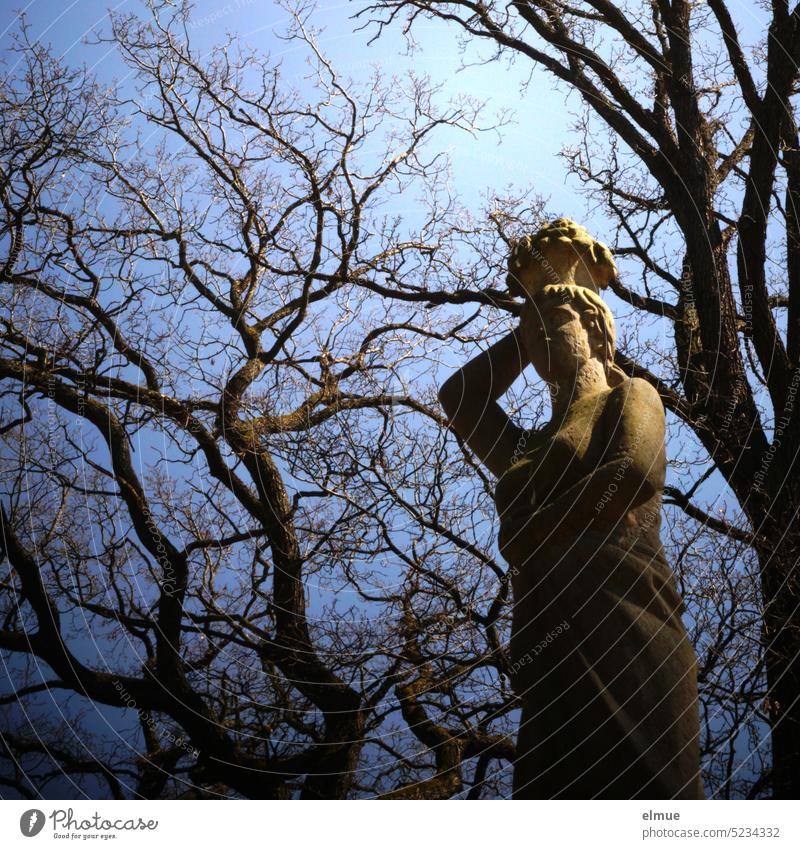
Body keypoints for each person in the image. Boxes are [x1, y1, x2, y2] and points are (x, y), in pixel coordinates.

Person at [438, 223, 704, 799]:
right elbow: (460, 397)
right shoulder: (525, 447)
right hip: (545, 626)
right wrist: (537, 309)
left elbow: (632, 474)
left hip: (626, 605)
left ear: (596, 336)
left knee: (643, 784)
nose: (538, 343)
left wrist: (534, 530)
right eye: (528, 337)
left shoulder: (627, 395)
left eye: (551, 332)